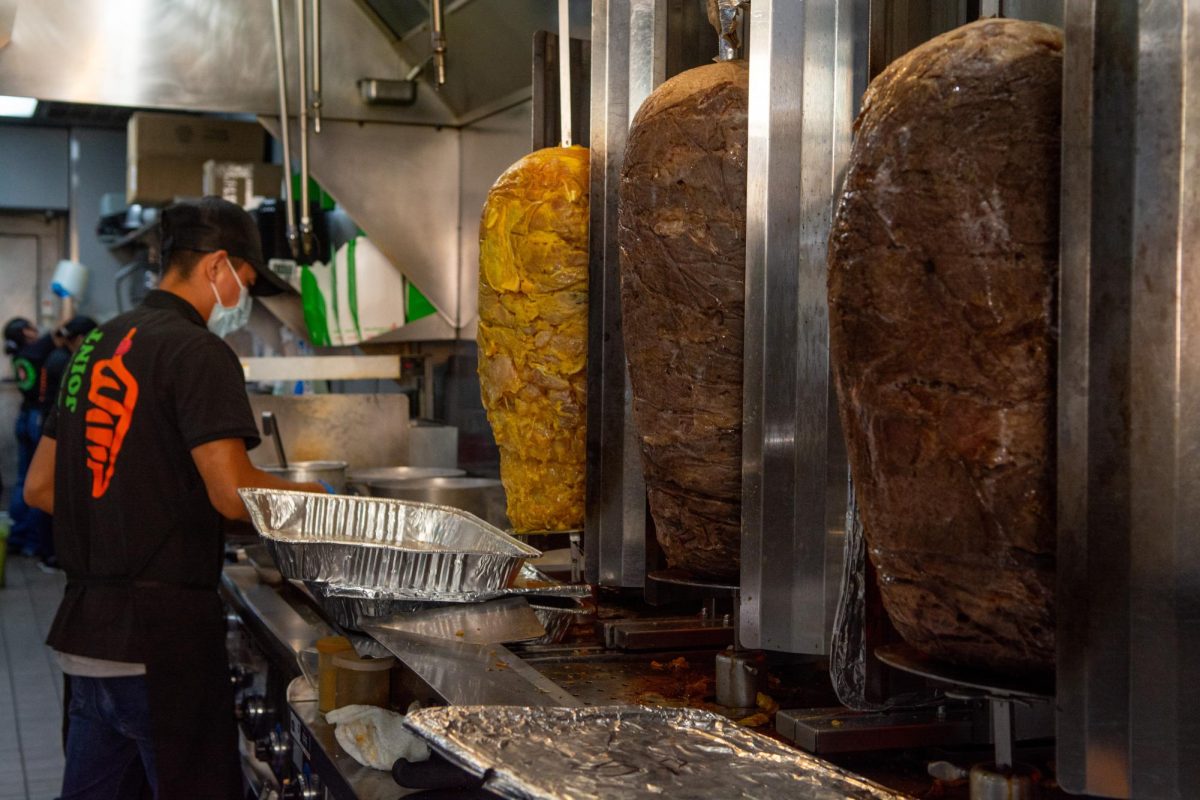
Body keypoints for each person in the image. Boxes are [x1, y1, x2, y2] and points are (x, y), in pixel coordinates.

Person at [24, 196, 322, 800]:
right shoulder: (199, 351)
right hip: (162, 652)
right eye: (243, 278)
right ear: (216, 266)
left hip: (86, 645)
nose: (242, 294)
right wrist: (316, 500)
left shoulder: (95, 347)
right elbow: (234, 494)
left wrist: (136, 514)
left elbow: (44, 488)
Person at [32, 315, 98, 571]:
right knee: (49, 489)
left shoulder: (56, 356)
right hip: (53, 431)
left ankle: (46, 551)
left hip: (43, 423)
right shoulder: (70, 362)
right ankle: (50, 552)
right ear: (81, 339)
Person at [5, 316, 55, 557]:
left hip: (24, 416)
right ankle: (34, 541)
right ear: (25, 333)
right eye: (31, 327)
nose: (36, 330)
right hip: (37, 417)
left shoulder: (20, 355)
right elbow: (59, 335)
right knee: (38, 479)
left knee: (23, 479)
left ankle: (18, 534)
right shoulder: (35, 351)